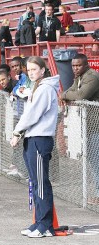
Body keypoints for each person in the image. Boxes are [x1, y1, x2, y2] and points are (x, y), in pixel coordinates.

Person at [10, 56, 60, 238]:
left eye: (34, 69)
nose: (31, 73)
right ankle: (39, 222)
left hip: (40, 139)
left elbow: (32, 114)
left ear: (43, 70)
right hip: (33, 138)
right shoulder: (36, 88)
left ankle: (45, 225)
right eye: (28, 70)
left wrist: (17, 132)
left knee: (41, 183)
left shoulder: (45, 89)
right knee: (35, 182)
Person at [61, 54, 99, 204]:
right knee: (93, 160)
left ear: (86, 65)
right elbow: (72, 91)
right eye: (73, 66)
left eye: (78, 65)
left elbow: (81, 95)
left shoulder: (92, 77)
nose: (75, 68)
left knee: (96, 161)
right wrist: (67, 95)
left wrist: (65, 95)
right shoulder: (79, 77)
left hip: (95, 125)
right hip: (87, 126)